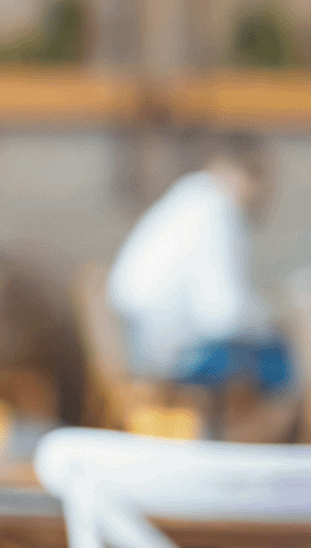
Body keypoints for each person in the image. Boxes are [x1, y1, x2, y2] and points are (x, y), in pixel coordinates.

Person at [106, 137, 289, 389]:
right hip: (170, 355)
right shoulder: (216, 211)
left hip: (144, 343)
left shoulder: (189, 198)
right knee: (283, 363)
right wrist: (270, 322)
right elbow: (222, 315)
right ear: (246, 175)